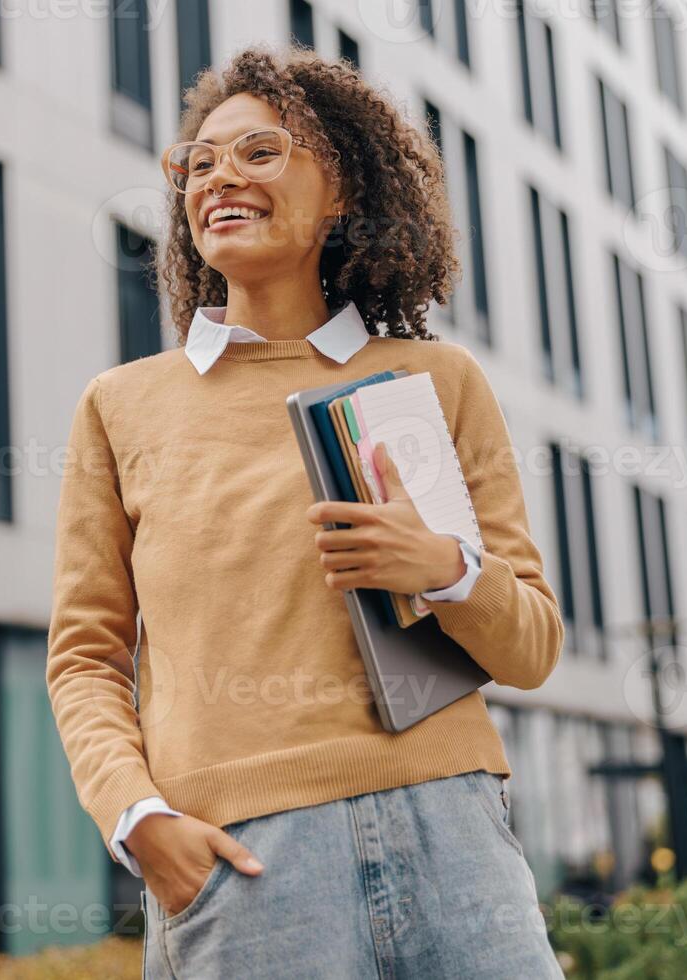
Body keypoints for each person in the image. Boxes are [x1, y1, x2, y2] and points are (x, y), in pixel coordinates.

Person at [47, 43, 564, 979]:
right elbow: (85, 657)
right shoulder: (120, 406)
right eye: (198, 163)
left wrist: (444, 569)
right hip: (247, 869)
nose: (219, 179)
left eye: (259, 153)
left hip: (455, 839)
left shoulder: (436, 380)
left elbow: (531, 646)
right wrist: (135, 815)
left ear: (341, 191)